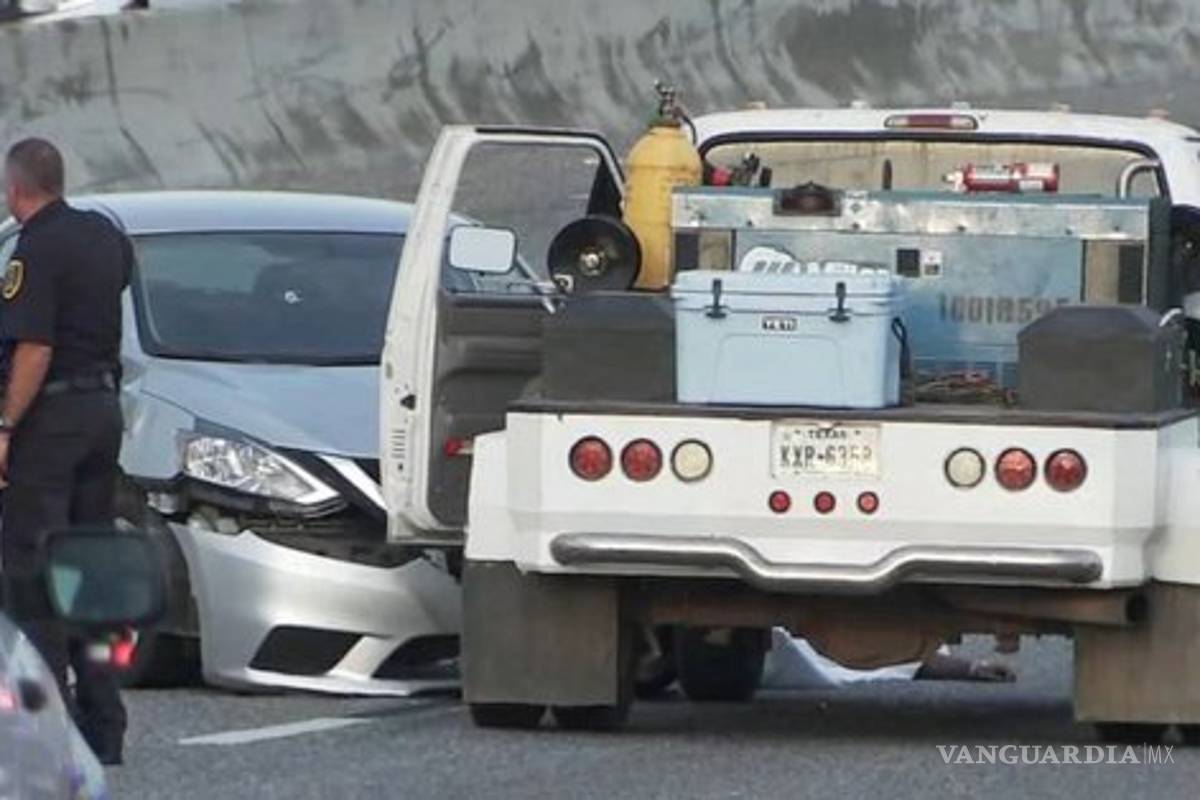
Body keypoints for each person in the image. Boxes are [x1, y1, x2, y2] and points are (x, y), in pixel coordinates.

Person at [0, 137, 133, 765]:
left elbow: (34, 348)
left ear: (15, 188)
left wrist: (4, 426)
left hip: (51, 421)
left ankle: (47, 728)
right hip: (103, 412)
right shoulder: (106, 236)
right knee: (92, 573)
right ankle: (105, 723)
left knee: (37, 575)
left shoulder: (35, 246)